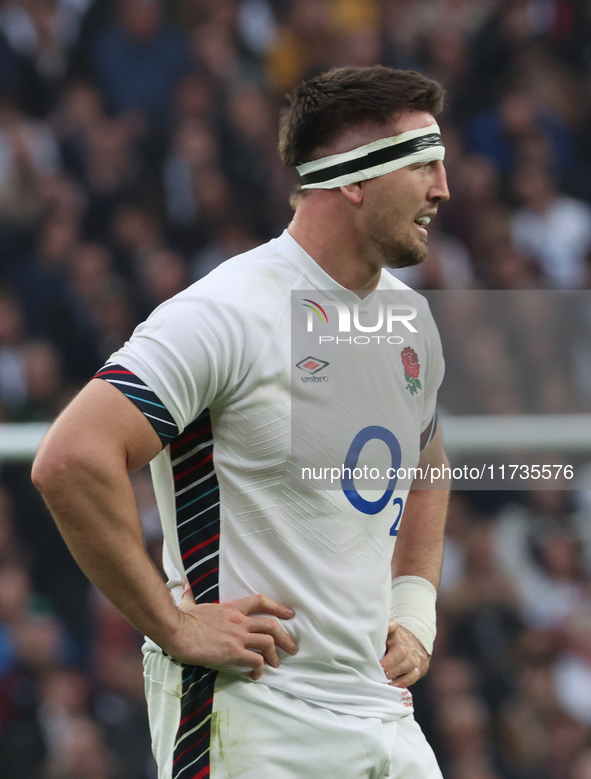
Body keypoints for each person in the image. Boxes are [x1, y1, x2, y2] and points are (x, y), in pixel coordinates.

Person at [32, 65, 451, 779]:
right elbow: (71, 458)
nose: (442, 191)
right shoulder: (225, 312)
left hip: (381, 713)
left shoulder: (407, 317)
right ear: (353, 180)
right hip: (254, 717)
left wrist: (413, 602)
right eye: (423, 167)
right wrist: (172, 625)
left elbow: (427, 462)